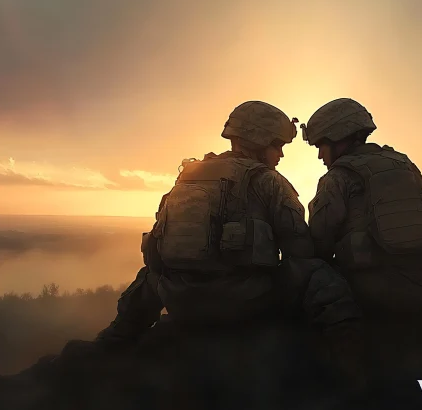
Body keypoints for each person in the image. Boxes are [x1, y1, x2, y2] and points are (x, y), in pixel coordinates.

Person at [94, 101, 362, 369]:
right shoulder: (269, 181)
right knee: (318, 274)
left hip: (181, 303)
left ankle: (114, 341)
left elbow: (156, 253)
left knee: (149, 277)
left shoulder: (188, 177)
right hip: (243, 304)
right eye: (276, 145)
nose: (280, 155)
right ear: (259, 140)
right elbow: (301, 250)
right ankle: (350, 365)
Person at [300, 98, 422, 317]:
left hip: (371, 294)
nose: (320, 155)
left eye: (321, 146)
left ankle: (342, 344)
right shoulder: (405, 165)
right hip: (420, 291)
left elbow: (319, 244)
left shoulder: (338, 177)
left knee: (304, 271)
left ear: (338, 138)